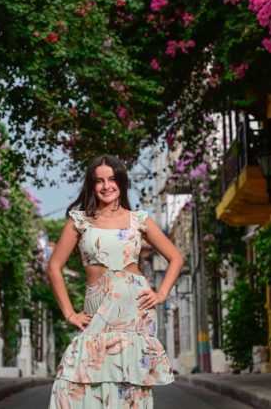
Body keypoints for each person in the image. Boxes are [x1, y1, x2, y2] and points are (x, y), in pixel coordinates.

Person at [47, 154, 184, 408]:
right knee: (73, 381)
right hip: (97, 308)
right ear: (92, 185)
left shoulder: (139, 220)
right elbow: (54, 267)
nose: (106, 186)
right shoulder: (79, 222)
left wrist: (161, 294)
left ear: (121, 182)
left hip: (134, 310)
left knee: (129, 384)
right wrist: (69, 314)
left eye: (112, 179)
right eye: (99, 181)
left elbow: (176, 258)